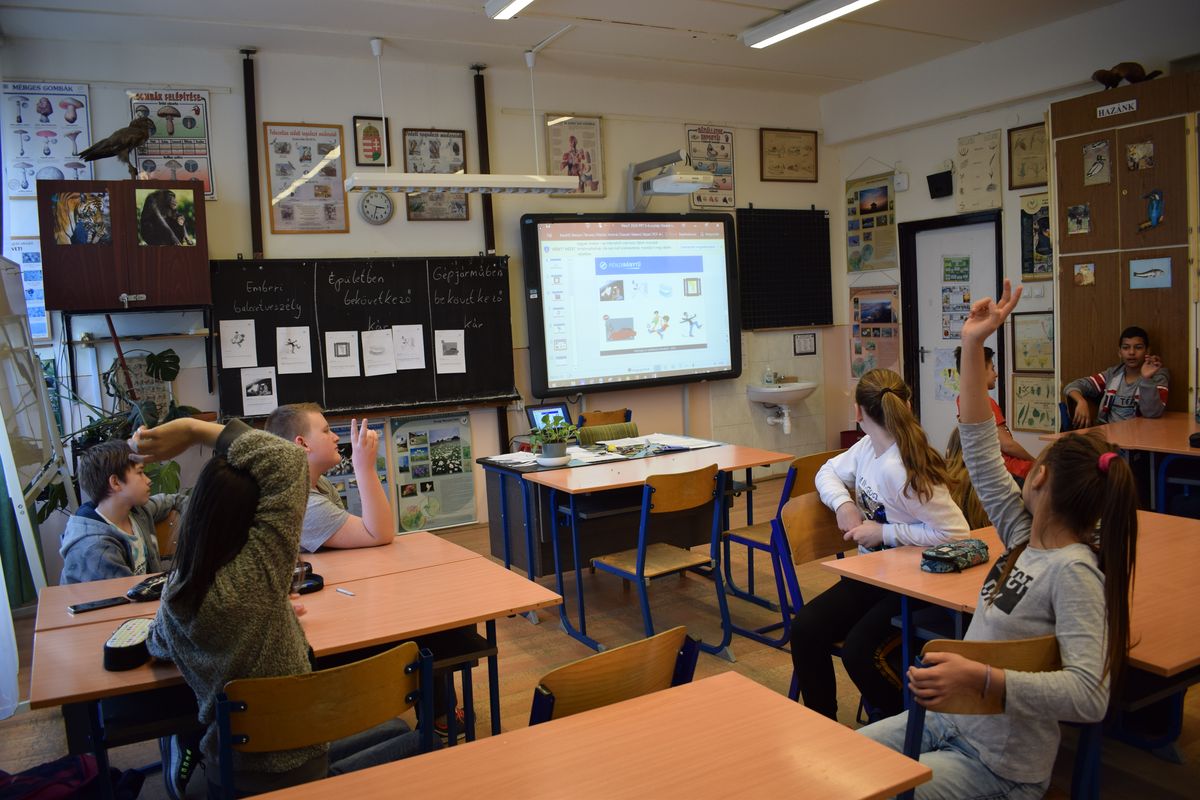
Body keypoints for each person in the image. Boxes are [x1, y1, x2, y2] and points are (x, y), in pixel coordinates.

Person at [860, 280, 1138, 799]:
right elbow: (978, 442)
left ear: (1040, 477)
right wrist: (971, 342)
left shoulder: (1073, 570)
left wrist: (983, 679)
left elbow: (1090, 695)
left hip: (999, 768)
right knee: (844, 761)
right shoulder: (1024, 537)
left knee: (874, 791)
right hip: (951, 723)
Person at [142, 417, 424, 797]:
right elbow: (289, 460)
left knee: (393, 729)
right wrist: (196, 430)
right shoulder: (259, 572)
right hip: (298, 767)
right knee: (413, 738)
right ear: (254, 520)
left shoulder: (177, 594)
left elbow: (158, 643)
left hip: (229, 768)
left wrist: (268, 618)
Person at [790, 369, 969, 721]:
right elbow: (827, 471)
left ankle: (912, 729)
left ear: (858, 411)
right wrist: (843, 504)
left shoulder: (901, 467)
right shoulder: (867, 447)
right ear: (908, 405)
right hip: (875, 577)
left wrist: (885, 534)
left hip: (915, 584)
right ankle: (823, 725)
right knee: (806, 629)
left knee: (861, 654)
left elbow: (957, 534)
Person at [264, 403, 395, 553]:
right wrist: (364, 468)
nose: (336, 437)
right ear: (303, 443)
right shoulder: (304, 504)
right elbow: (380, 535)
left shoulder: (321, 483)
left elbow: (372, 532)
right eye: (326, 431)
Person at [59, 439, 185, 584]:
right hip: (117, 598)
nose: (148, 480)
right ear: (116, 482)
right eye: (140, 473)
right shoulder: (96, 548)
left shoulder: (136, 512)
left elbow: (172, 500)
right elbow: (126, 594)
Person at [954, 346, 1034, 483]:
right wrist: (1035, 460)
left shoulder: (962, 400)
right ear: (979, 372)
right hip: (1007, 470)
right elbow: (1007, 445)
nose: (996, 374)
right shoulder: (986, 402)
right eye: (992, 369)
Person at [1063, 326, 1167, 428]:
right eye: (1126, 348)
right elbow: (1072, 386)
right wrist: (1081, 401)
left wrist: (1146, 379)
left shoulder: (1158, 376)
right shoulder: (1112, 374)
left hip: (1140, 435)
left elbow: (1152, 413)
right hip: (1108, 434)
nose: (1131, 352)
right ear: (1120, 352)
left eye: (1138, 347)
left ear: (1147, 351)